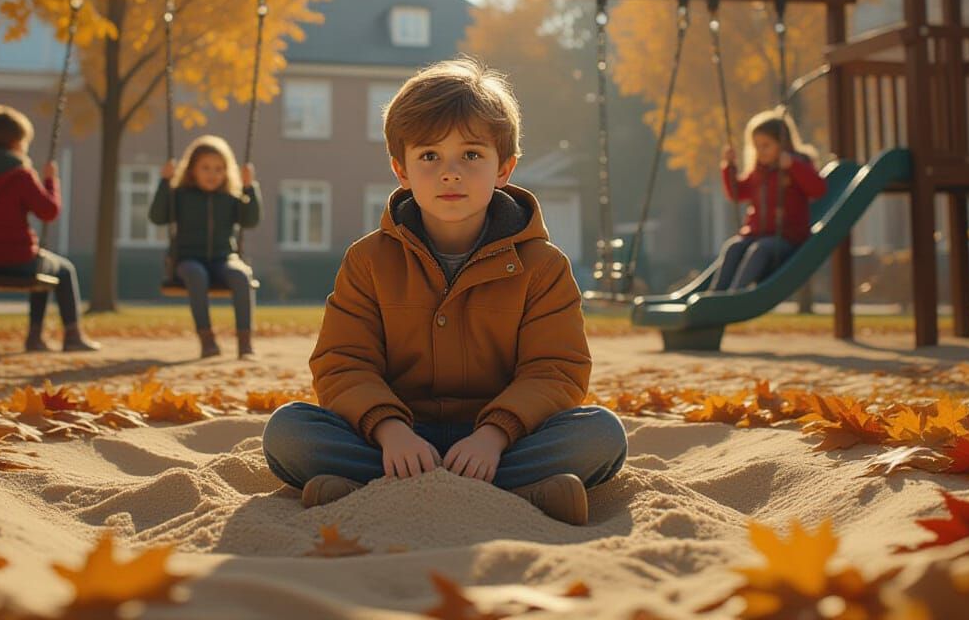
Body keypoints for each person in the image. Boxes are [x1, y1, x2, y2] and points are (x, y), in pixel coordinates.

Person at [261, 57, 627, 526]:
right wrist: (390, 431)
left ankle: (369, 491)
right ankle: (517, 495)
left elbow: (556, 371)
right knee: (290, 433)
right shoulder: (368, 260)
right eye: (429, 156)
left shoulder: (544, 267)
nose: (450, 173)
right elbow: (343, 363)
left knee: (600, 435)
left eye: (471, 155)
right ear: (401, 170)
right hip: (395, 440)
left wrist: (494, 435)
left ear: (504, 168)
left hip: (500, 441)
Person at [0, 105, 99, 352]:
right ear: (16, 142)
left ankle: (36, 339)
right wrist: (51, 180)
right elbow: (48, 211)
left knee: (42, 268)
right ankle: (70, 336)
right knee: (62, 269)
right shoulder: (20, 175)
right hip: (15, 261)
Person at [150, 135, 260, 359]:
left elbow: (250, 220)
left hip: (223, 258)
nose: (213, 174)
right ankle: (207, 340)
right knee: (196, 273)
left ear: (227, 171)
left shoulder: (230, 197)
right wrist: (164, 182)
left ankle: (245, 342)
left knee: (241, 275)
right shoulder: (180, 195)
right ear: (192, 170)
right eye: (206, 168)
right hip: (188, 259)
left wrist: (249, 187)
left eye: (219, 169)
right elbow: (158, 217)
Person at [711, 109, 827, 291]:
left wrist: (793, 166)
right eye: (756, 146)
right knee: (733, 247)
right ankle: (714, 295)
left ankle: (735, 294)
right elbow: (737, 194)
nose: (760, 151)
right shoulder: (759, 172)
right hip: (756, 234)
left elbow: (818, 190)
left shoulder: (797, 164)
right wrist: (729, 167)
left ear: (783, 144)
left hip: (787, 238)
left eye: (766, 145)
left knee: (761, 249)